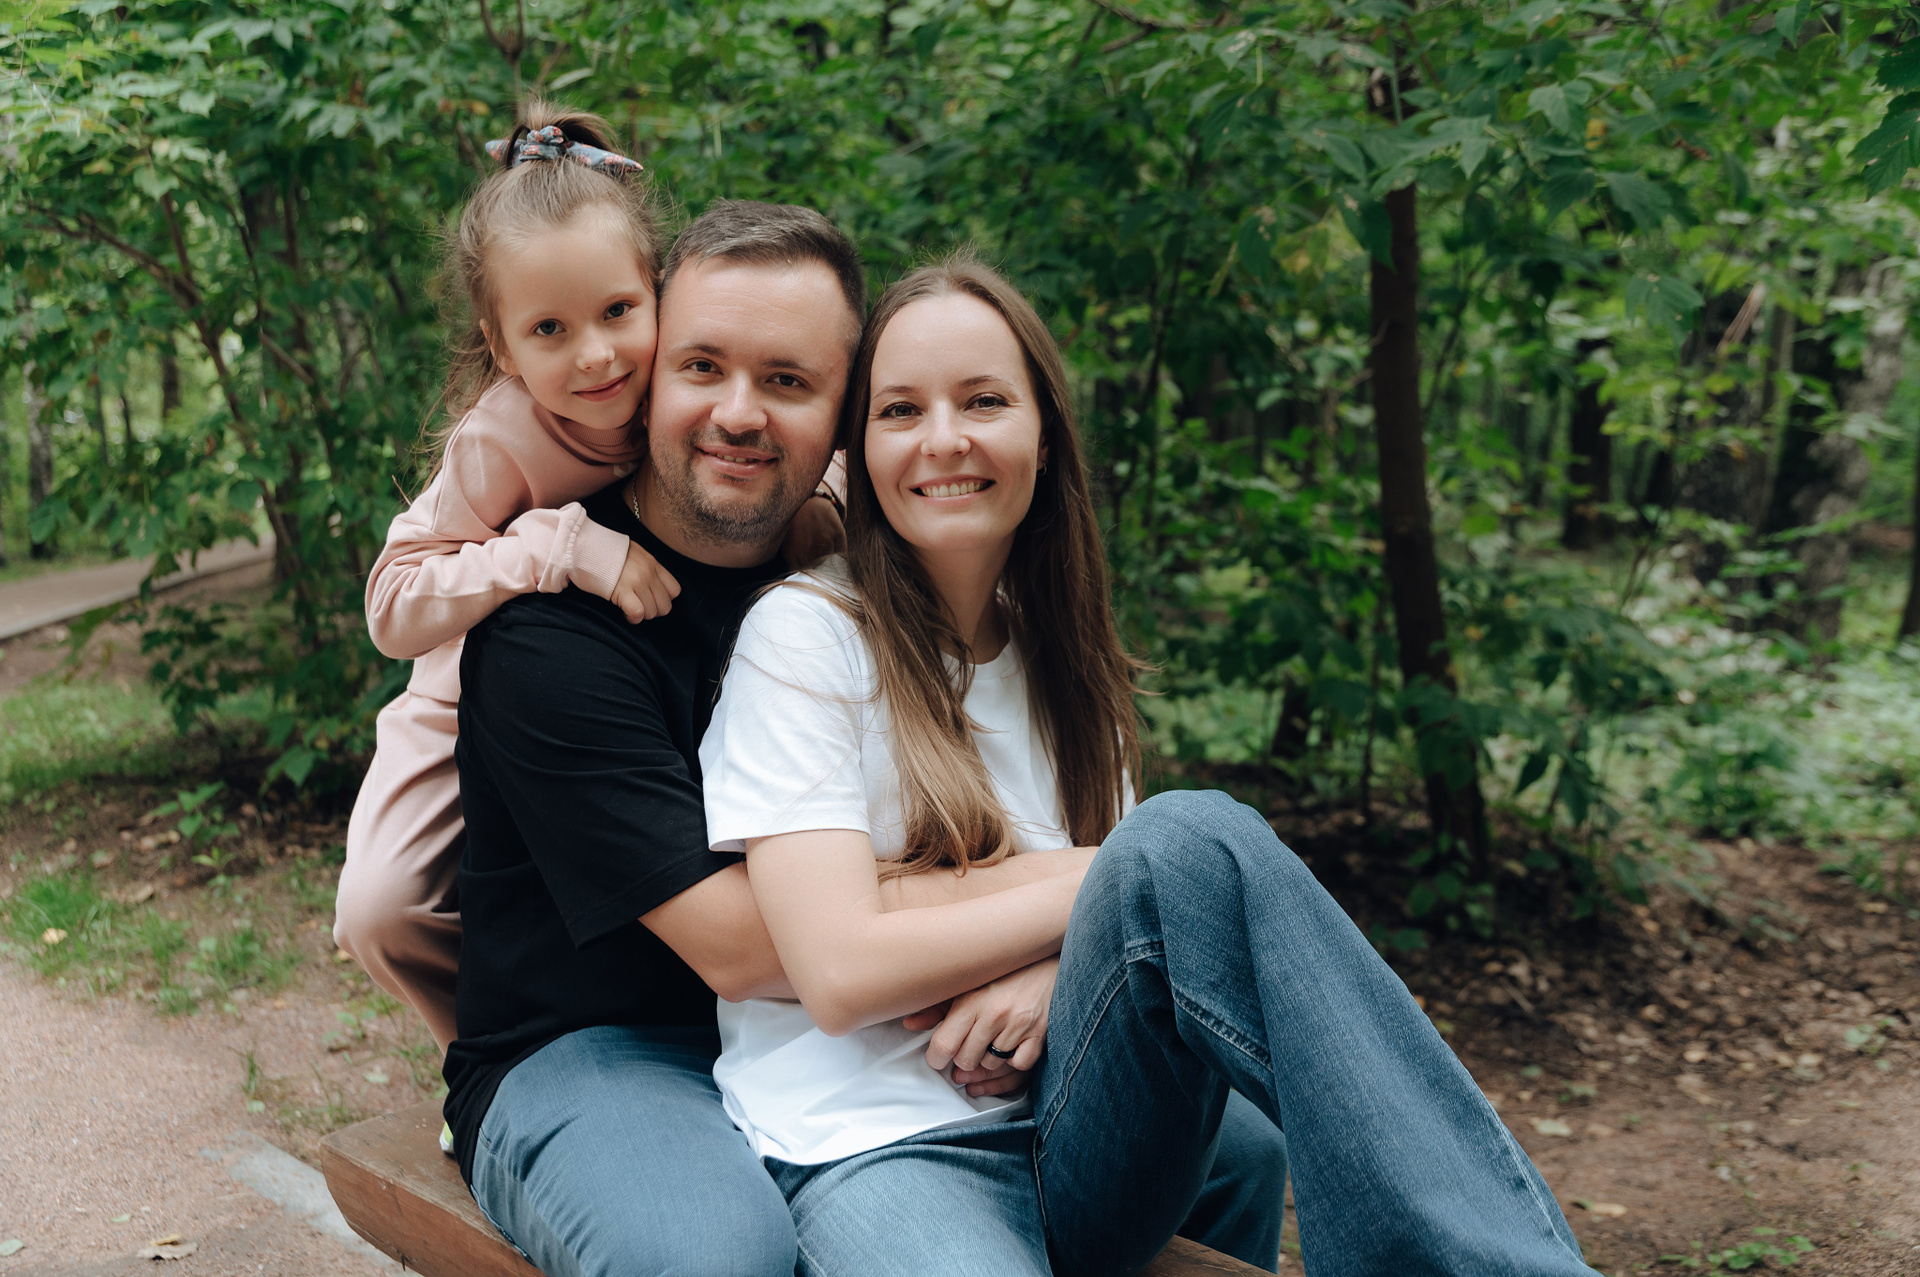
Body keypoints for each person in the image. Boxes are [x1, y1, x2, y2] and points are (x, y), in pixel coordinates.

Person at [699, 255, 1602, 1277]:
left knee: (1181, 857)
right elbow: (838, 971)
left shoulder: (1067, 659)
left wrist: (1061, 971)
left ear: (1045, 434)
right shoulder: (807, 636)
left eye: (984, 400)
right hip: (872, 1139)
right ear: (861, 450)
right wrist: (1105, 884)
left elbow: (1130, 931)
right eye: (901, 409)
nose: (943, 438)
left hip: (1066, 1113)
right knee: (1176, 844)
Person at [446, 202, 1284, 1277]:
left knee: (1242, 1151)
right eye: (702, 367)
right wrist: (1098, 890)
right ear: (650, 376)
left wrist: (1058, 958)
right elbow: (756, 947)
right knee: (715, 1256)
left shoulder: (859, 584)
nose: (739, 412)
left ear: (843, 419)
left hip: (833, 1036)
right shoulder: (554, 633)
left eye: (788, 380)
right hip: (602, 1042)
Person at [334, 103, 841, 1053]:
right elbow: (392, 604)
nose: (597, 355)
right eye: (549, 329)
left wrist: (822, 502)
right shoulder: (502, 435)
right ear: (501, 343)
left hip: (637, 661)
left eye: (617, 312)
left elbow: (798, 422)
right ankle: (477, 1059)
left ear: (658, 293)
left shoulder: (679, 382)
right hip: (467, 672)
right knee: (379, 909)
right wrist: (554, 547)